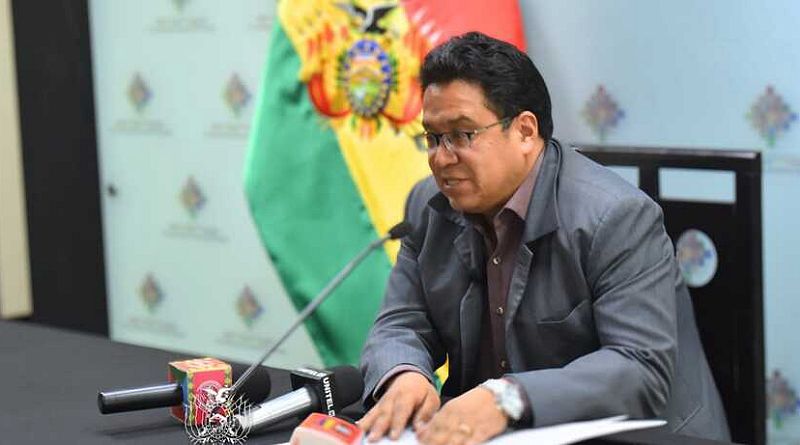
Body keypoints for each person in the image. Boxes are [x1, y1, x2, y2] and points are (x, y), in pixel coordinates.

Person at [357, 32, 730, 445]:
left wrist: (507, 398)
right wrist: (404, 373)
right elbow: (400, 321)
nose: (441, 158)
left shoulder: (617, 217)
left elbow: (639, 368)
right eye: (433, 137)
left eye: (462, 135)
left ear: (524, 131)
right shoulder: (428, 205)